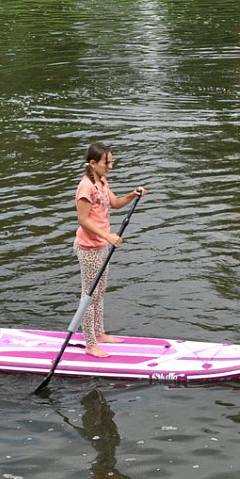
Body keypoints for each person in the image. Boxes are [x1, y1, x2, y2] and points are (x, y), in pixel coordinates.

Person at [74, 142, 146, 358]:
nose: (110, 167)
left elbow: (114, 203)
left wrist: (133, 194)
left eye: (111, 162)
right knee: (89, 295)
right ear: (93, 163)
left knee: (100, 293)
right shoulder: (85, 187)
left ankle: (99, 333)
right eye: (107, 163)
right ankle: (90, 344)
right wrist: (106, 235)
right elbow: (82, 219)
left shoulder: (101, 181)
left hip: (102, 246)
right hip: (88, 248)